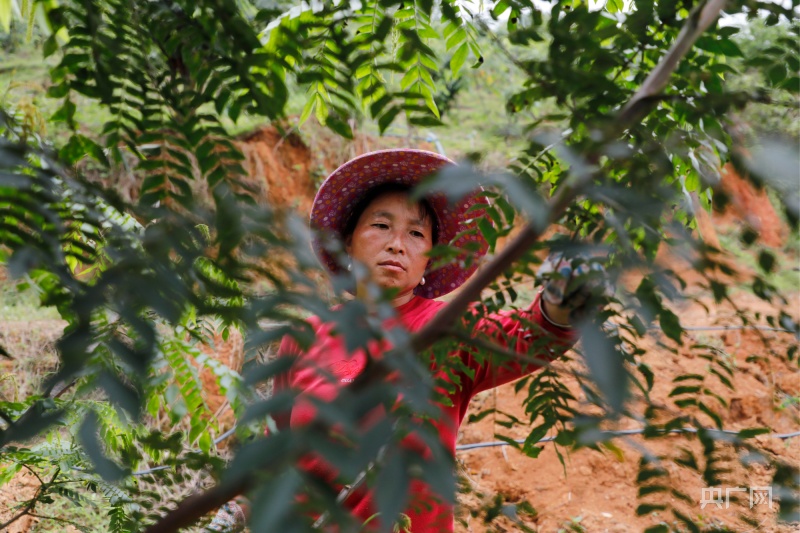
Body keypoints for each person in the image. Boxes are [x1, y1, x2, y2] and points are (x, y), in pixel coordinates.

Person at [211, 148, 600, 532]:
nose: (397, 244)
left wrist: (561, 299)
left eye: (416, 233)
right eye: (381, 226)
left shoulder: (449, 330)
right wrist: (236, 510)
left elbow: (530, 335)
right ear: (348, 242)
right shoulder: (306, 336)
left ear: (430, 258)